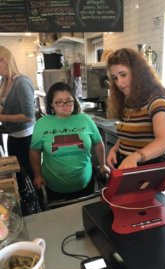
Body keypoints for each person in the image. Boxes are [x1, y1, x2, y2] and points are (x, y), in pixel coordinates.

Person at [30, 82, 110, 201]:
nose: (65, 105)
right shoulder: (42, 123)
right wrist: (37, 175)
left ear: (74, 101)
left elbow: (98, 143)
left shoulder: (85, 119)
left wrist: (103, 164)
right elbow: (34, 151)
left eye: (68, 101)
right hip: (54, 187)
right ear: (51, 104)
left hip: (85, 184)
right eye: (59, 102)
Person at [106, 47, 165, 170]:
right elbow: (127, 135)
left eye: (123, 75)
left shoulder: (156, 101)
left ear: (137, 73)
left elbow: (164, 142)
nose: (119, 83)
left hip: (144, 170)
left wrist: (136, 156)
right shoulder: (128, 101)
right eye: (115, 78)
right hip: (124, 166)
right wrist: (114, 150)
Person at [0, 46, 39, 215]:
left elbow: (29, 116)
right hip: (13, 135)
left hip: (26, 137)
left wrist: (3, 118)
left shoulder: (21, 82)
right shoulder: (4, 80)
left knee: (31, 173)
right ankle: (25, 202)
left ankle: (40, 203)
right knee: (18, 173)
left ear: (5, 61)